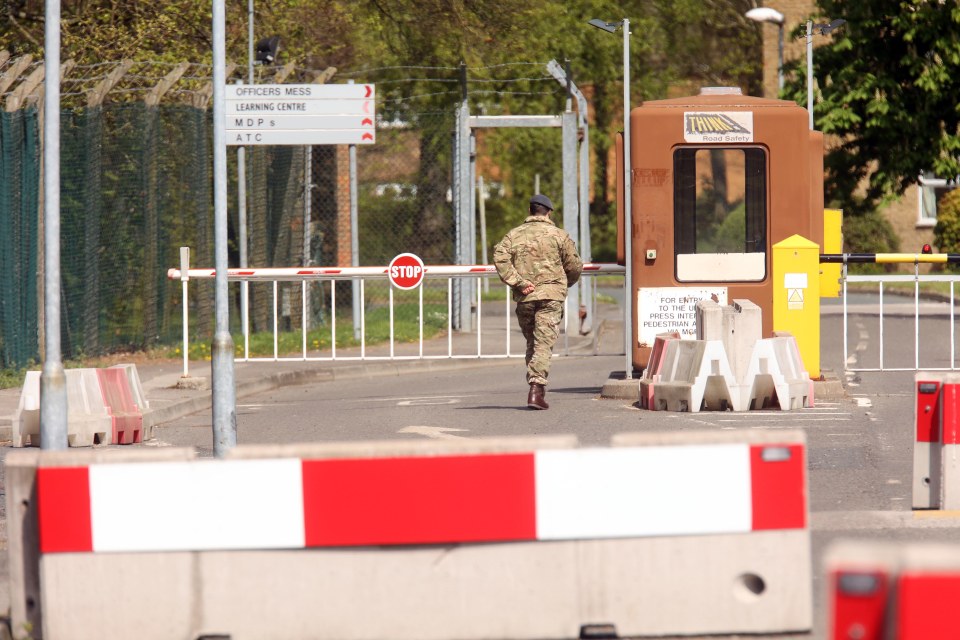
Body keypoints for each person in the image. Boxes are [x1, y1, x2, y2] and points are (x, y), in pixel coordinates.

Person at [493, 194, 583, 410]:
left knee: (533, 343)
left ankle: (537, 387)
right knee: (543, 345)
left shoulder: (513, 235)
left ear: (531, 210)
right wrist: (561, 285)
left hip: (525, 297)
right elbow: (574, 266)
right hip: (551, 297)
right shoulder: (559, 236)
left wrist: (519, 283)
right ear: (548, 212)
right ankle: (536, 388)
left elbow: (500, 258)